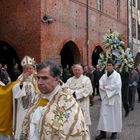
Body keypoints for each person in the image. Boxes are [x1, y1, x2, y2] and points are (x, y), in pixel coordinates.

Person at [20, 61, 90, 140]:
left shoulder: (68, 103)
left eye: (45, 78)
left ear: (56, 79)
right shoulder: (37, 97)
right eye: (38, 78)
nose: (39, 82)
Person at [12, 56, 39, 140]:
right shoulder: (20, 78)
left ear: (33, 68)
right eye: (26, 69)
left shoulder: (36, 78)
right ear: (23, 69)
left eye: (30, 68)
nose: (29, 71)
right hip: (22, 109)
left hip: (34, 108)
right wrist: (22, 81)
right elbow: (15, 92)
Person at [95, 60, 122, 140]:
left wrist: (106, 88)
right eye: (107, 65)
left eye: (110, 65)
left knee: (114, 116)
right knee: (103, 115)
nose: (108, 67)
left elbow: (117, 86)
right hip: (106, 98)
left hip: (114, 99)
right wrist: (106, 89)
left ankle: (114, 133)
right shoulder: (104, 76)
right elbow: (101, 84)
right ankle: (103, 133)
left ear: (113, 66)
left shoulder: (117, 75)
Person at [66, 64, 93, 128]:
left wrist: (75, 93)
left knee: (83, 123)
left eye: (79, 70)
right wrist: (73, 93)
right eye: (75, 70)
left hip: (83, 103)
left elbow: (88, 90)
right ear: (73, 71)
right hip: (72, 104)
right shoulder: (69, 80)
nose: (77, 71)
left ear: (82, 71)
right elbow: (65, 89)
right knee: (73, 122)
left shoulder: (86, 79)